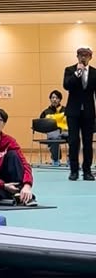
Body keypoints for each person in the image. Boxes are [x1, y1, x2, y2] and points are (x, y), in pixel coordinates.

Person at [63, 46, 96, 181]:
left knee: (88, 142)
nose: (83, 57)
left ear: (90, 57)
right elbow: (66, 85)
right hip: (73, 111)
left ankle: (87, 171)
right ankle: (74, 171)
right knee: (73, 141)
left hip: (89, 112)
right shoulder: (69, 70)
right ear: (77, 57)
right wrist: (77, 73)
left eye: (86, 55)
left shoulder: (94, 72)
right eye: (81, 55)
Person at [39, 89, 68, 167]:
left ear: (60, 99)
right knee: (54, 136)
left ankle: (71, 159)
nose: (54, 99)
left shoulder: (65, 110)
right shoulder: (46, 112)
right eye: (52, 97)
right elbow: (41, 124)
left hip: (64, 132)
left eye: (57, 98)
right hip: (52, 133)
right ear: (50, 99)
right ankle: (55, 159)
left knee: (74, 137)